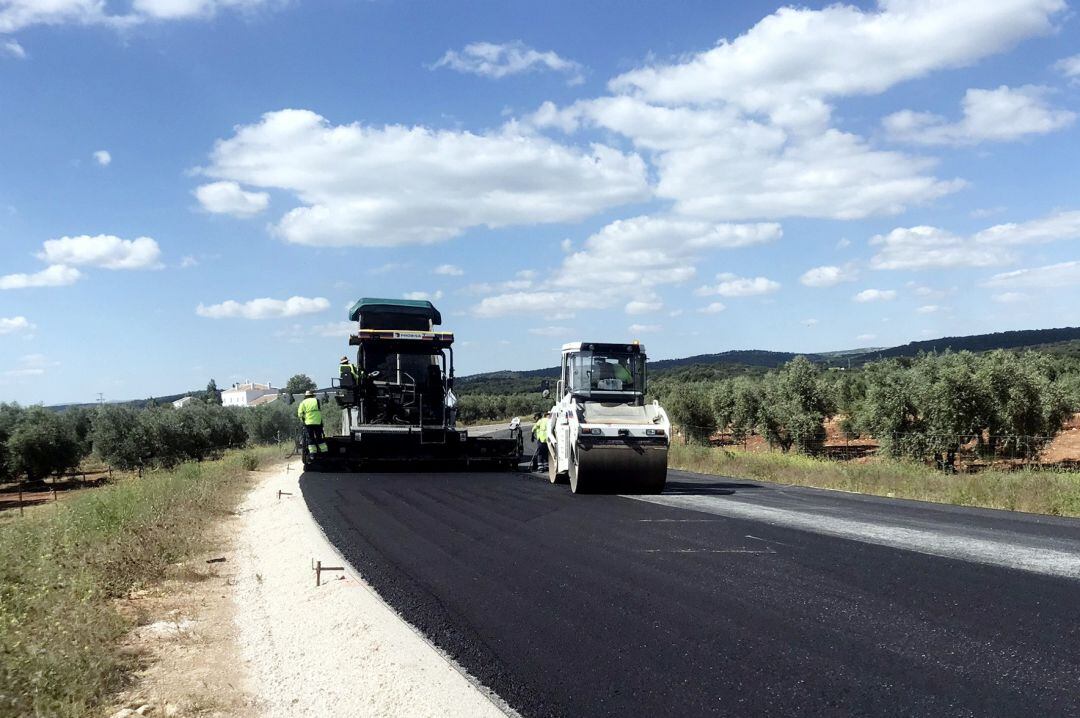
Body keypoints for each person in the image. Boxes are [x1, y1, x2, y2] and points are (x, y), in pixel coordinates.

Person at [297, 389, 328, 455]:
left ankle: (313, 453)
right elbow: (319, 410)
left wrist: (303, 420)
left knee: (310, 437)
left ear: (306, 396)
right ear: (312, 395)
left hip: (308, 423)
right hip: (318, 422)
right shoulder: (317, 401)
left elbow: (300, 414)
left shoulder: (303, 402)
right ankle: (324, 451)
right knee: (319, 436)